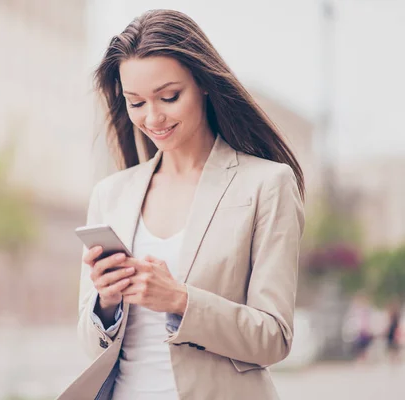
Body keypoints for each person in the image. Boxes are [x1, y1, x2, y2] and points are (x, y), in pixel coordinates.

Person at [58, 9, 305, 400]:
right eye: (135, 103)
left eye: (169, 97)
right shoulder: (111, 194)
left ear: (203, 84)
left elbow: (274, 338)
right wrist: (107, 303)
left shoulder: (266, 184)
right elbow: (92, 347)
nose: (153, 117)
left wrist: (180, 300)